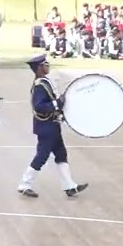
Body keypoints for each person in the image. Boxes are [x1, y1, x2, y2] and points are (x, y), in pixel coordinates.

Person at [16, 54, 88, 198]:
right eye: (45, 64)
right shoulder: (40, 85)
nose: (47, 66)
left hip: (52, 125)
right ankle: (24, 184)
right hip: (46, 127)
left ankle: (70, 186)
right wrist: (58, 103)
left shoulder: (44, 82)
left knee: (61, 154)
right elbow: (39, 106)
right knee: (42, 156)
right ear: (39, 68)